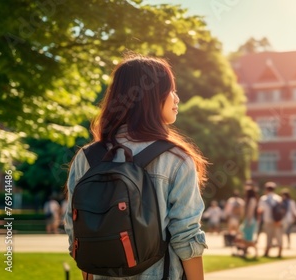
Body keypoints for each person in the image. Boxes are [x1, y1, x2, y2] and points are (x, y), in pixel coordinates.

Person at [64, 55, 208, 280]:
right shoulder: (176, 159)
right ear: (151, 97)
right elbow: (186, 237)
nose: (176, 98)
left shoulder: (86, 158)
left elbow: (78, 233)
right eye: (171, 90)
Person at [257, 181, 284, 258]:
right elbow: (282, 211)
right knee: (279, 237)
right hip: (277, 221)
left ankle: (267, 252)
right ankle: (279, 252)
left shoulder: (263, 199)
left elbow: (260, 210)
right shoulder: (278, 198)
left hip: (268, 221)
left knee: (269, 237)